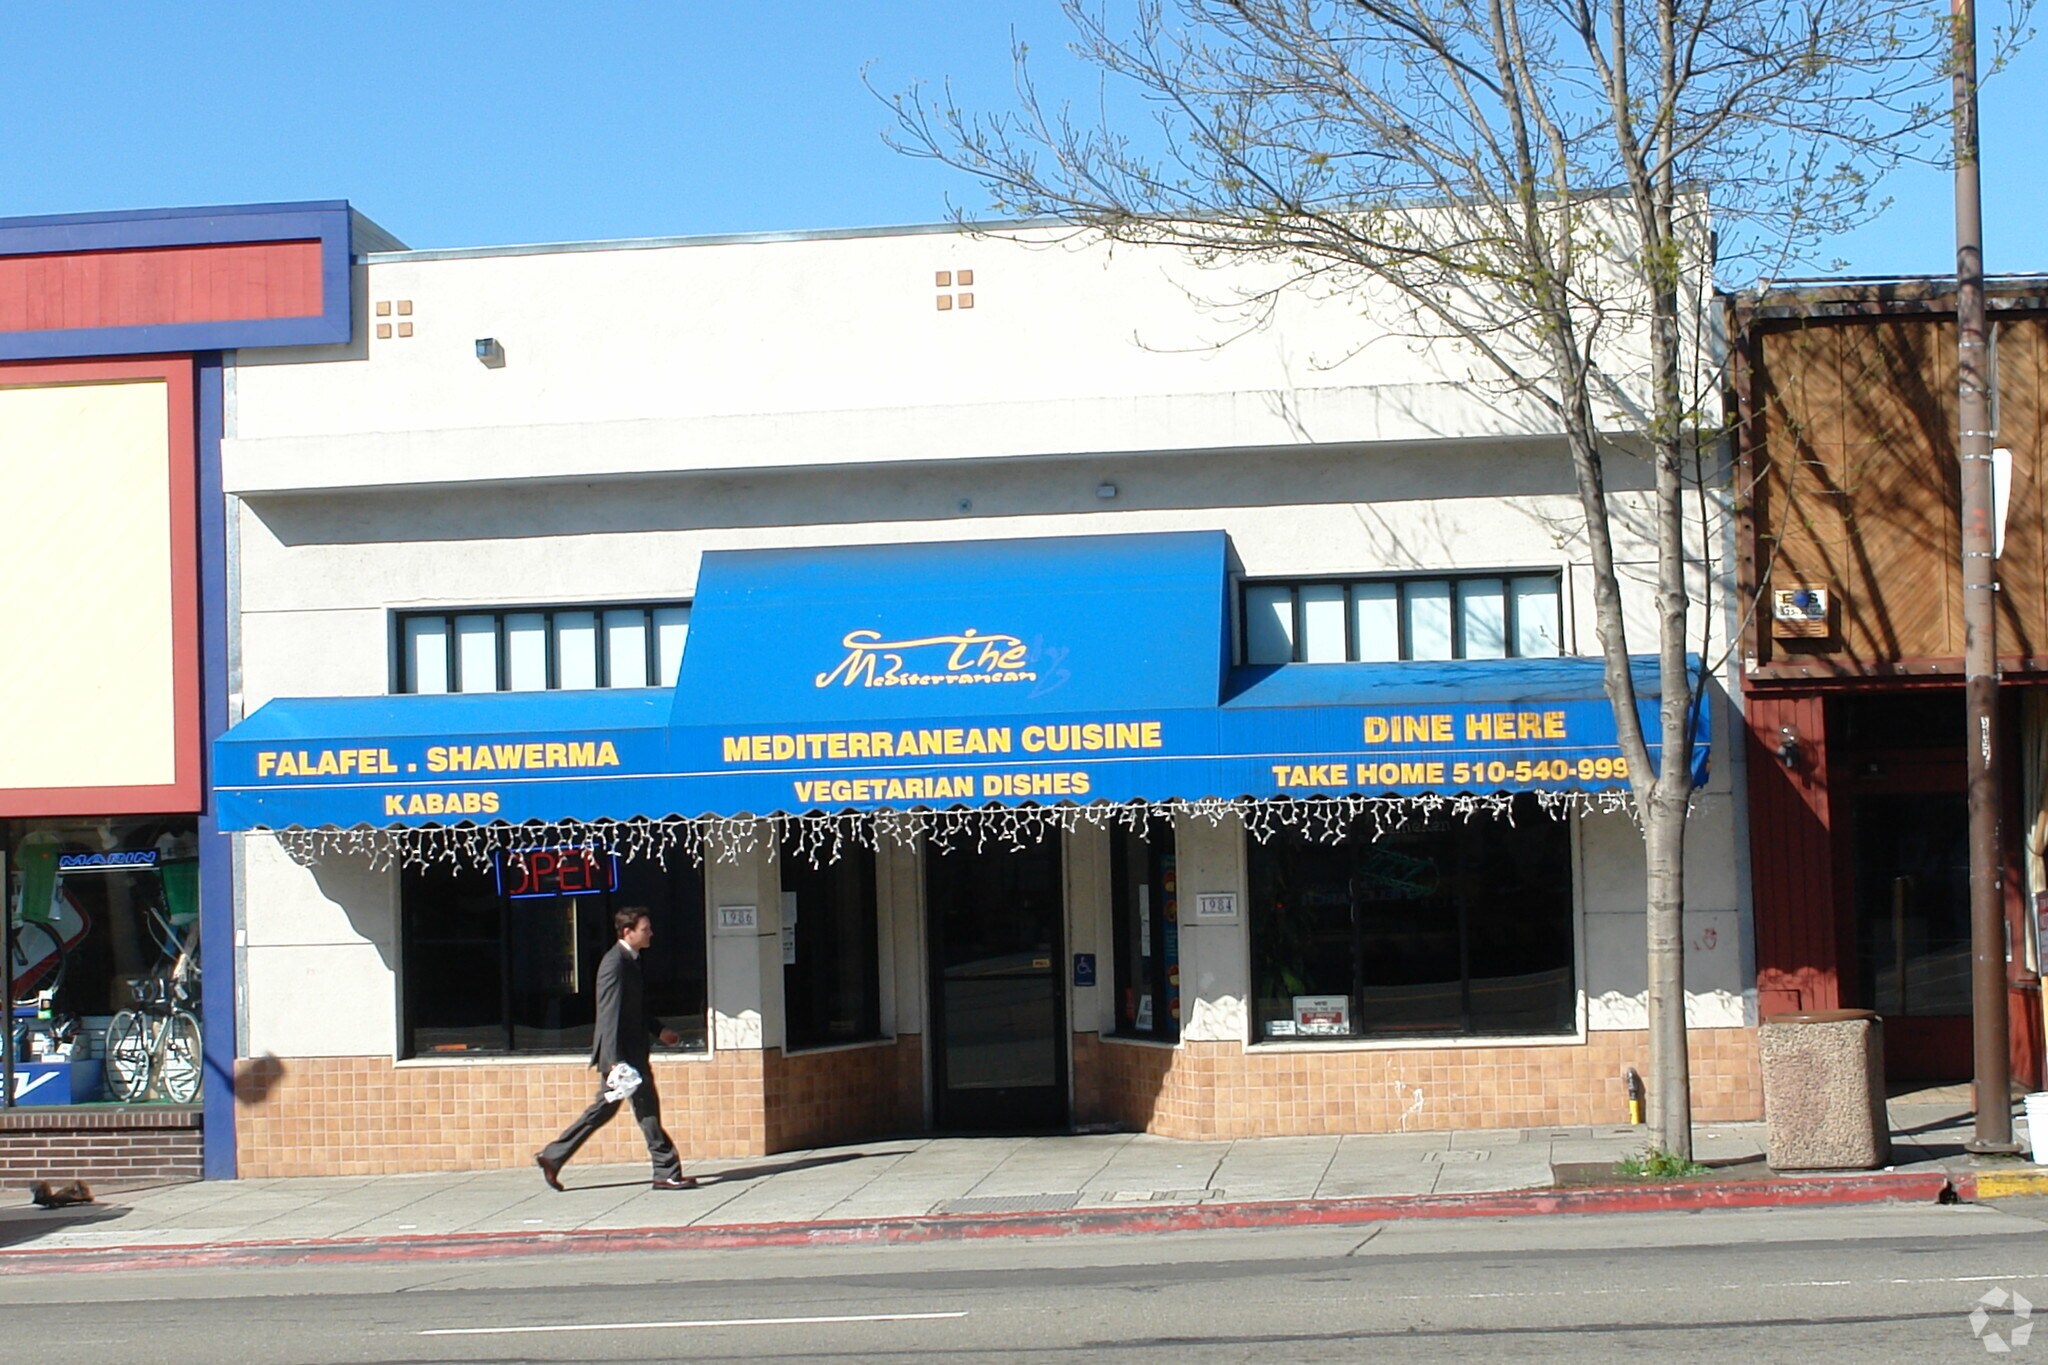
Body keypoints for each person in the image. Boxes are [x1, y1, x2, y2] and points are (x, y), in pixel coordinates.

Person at [535, 907, 694, 1191]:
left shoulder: (630, 961)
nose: (651, 933)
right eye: (645, 929)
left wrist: (660, 1031)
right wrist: (613, 1061)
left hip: (630, 1052)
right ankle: (665, 1170)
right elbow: (609, 1013)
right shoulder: (614, 963)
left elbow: (635, 1010)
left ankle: (553, 1156)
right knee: (646, 1109)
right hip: (622, 1057)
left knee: (607, 1110)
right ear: (627, 932)